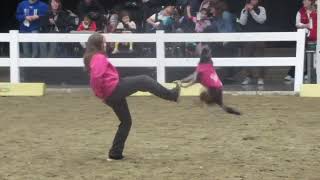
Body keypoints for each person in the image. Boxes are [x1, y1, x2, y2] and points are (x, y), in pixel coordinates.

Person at [83, 33, 181, 160]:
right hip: (113, 89)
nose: (106, 44)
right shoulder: (98, 57)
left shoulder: (94, 57)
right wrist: (101, 94)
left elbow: (96, 78)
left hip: (110, 93)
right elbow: (96, 78)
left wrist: (103, 96)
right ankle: (172, 95)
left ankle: (115, 153)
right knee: (144, 80)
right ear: (98, 44)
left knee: (126, 122)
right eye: (104, 42)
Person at [177, 47, 241, 115]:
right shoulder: (210, 64)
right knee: (221, 104)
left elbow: (195, 79)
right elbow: (195, 76)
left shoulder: (200, 67)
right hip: (219, 87)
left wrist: (186, 85)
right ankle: (233, 111)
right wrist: (183, 80)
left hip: (213, 89)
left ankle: (200, 103)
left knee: (203, 94)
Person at [284, 0, 317, 82]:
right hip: (304, 37)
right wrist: (305, 25)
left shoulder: (316, 10)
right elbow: (297, 24)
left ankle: (308, 74)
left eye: (306, 1)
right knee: (301, 55)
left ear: (311, 2)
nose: (303, 2)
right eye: (303, 1)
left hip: (315, 36)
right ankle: (291, 74)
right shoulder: (300, 11)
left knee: (314, 56)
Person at [239, 0, 267, 85]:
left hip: (259, 36)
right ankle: (248, 76)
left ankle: (260, 77)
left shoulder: (261, 9)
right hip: (248, 37)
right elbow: (242, 22)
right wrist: (246, 11)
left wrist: (252, 11)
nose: (253, 1)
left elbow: (261, 20)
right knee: (246, 57)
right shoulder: (244, 9)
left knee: (260, 57)